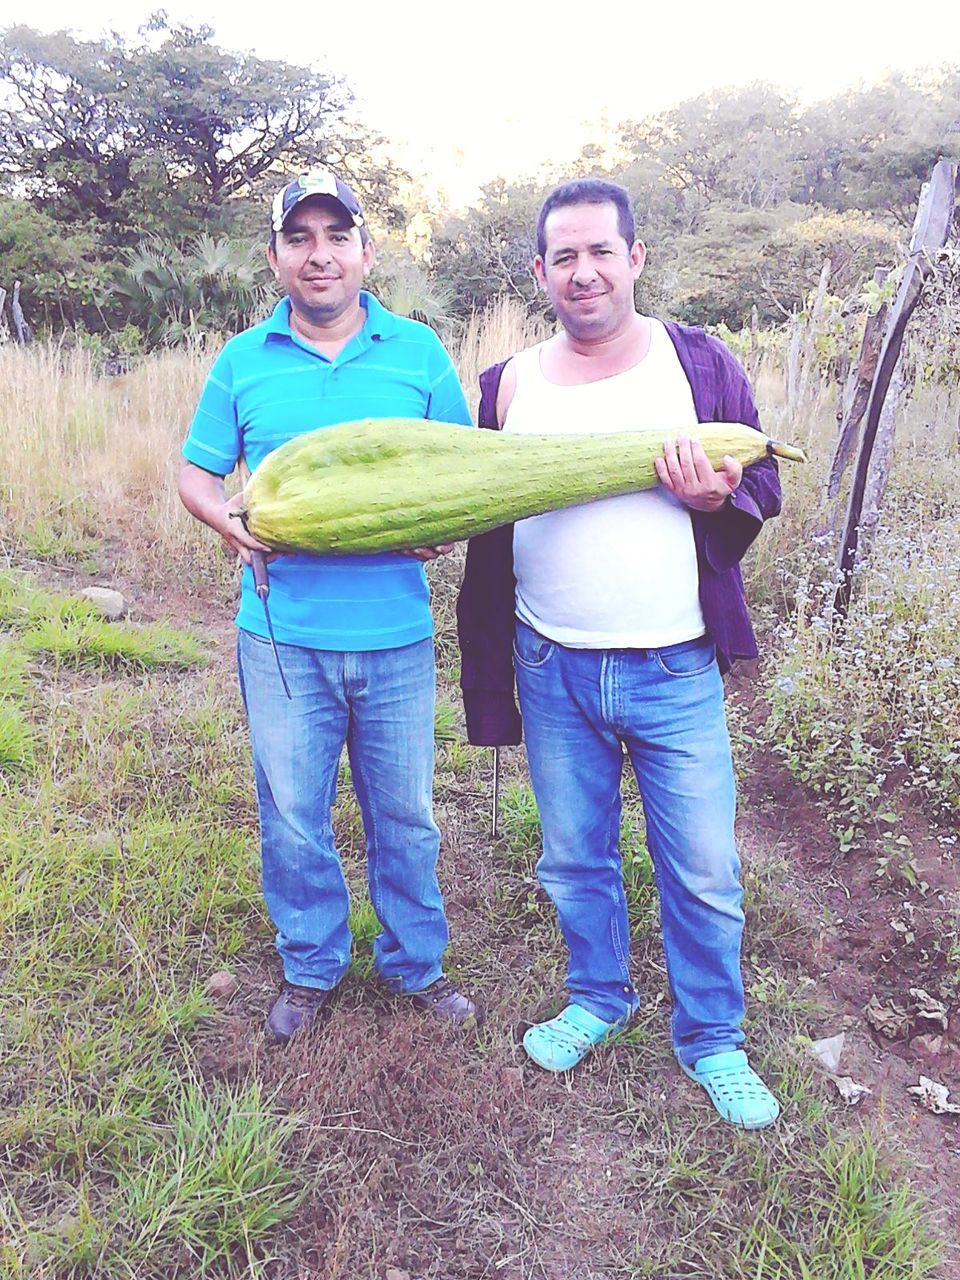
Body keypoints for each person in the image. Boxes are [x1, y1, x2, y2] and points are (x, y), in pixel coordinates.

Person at [456, 178, 781, 1128]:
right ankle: (598, 996)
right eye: (565, 257)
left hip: (674, 667)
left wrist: (717, 503)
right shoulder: (506, 383)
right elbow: (471, 507)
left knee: (705, 868)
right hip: (551, 663)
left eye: (602, 251)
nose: (584, 272)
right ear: (540, 272)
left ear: (635, 258)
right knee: (573, 856)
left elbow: (761, 480)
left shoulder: (698, 364)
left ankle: (713, 1036)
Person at [179, 168, 479, 1042]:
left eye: (336, 237)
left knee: (408, 815)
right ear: (274, 257)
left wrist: (447, 528)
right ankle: (311, 965)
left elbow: (463, 473)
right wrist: (231, 524)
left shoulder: (418, 352)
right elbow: (198, 475)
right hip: (280, 636)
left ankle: (416, 965)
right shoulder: (242, 361)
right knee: (293, 814)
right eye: (300, 239)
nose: (320, 256)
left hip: (394, 635)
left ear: (365, 251)